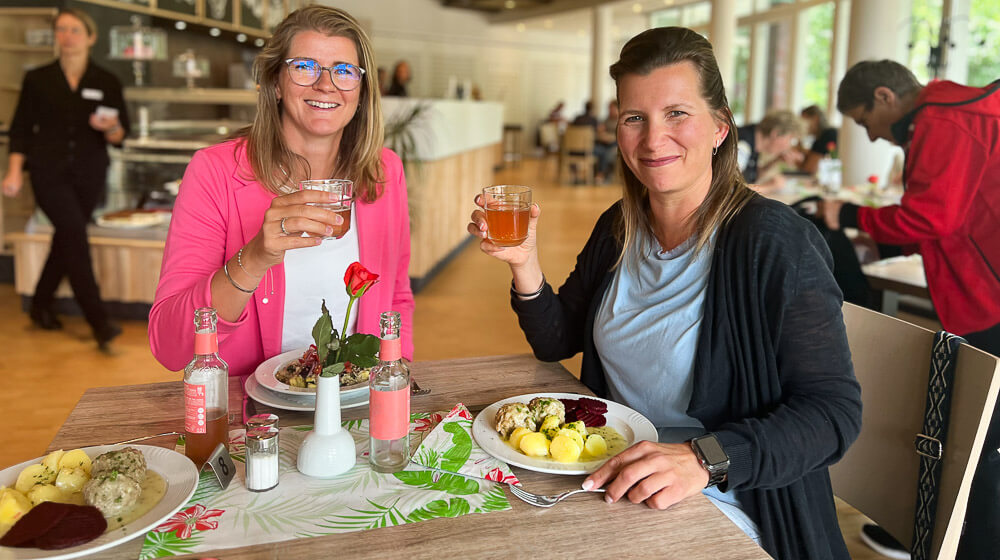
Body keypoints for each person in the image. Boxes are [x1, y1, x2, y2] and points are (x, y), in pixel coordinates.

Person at [469, 27, 861, 559]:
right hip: (613, 484)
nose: (653, 140)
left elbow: (833, 414)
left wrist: (704, 459)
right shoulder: (619, 226)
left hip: (730, 500)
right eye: (635, 118)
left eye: (678, 113)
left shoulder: (775, 243)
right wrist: (524, 263)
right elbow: (556, 340)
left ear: (720, 127)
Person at [149, 5, 414, 378]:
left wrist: (395, 383)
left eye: (343, 71)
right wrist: (255, 257)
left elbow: (397, 298)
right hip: (254, 419)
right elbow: (169, 344)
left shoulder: (384, 172)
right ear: (275, 82)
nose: (326, 84)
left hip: (358, 404)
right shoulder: (216, 172)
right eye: (304, 67)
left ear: (361, 91)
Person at [821, 59, 1000, 560]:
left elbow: (934, 217)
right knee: (977, 430)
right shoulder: (950, 114)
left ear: (884, 97)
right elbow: (957, 215)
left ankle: (970, 543)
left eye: (864, 122)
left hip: (990, 295)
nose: (872, 137)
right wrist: (884, 245)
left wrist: (850, 215)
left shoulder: (943, 122)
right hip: (983, 288)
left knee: (978, 434)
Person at [1, 8, 127, 351]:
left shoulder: (106, 81)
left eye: (74, 30)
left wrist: (110, 128)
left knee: (66, 238)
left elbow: (120, 134)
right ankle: (99, 322)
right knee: (73, 234)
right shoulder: (38, 79)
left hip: (90, 174)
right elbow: (21, 130)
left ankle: (40, 305)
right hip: (48, 172)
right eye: (61, 30)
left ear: (90, 37)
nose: (67, 36)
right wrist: (14, 170)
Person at [736, 110, 804, 190]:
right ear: (776, 133)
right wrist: (769, 186)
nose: (789, 146)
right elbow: (731, 191)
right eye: (790, 139)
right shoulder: (743, 146)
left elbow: (751, 176)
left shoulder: (754, 139)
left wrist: (776, 160)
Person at [798, 104, 838, 175]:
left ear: (815, 119)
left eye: (803, 120)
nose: (801, 126)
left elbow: (809, 170)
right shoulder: (820, 138)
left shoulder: (828, 135)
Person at [594, 100, 619, 182]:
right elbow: (600, 131)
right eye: (609, 108)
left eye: (612, 108)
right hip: (604, 144)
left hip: (615, 145)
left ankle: (602, 174)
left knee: (607, 153)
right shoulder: (606, 119)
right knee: (598, 150)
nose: (610, 110)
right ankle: (599, 174)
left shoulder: (620, 120)